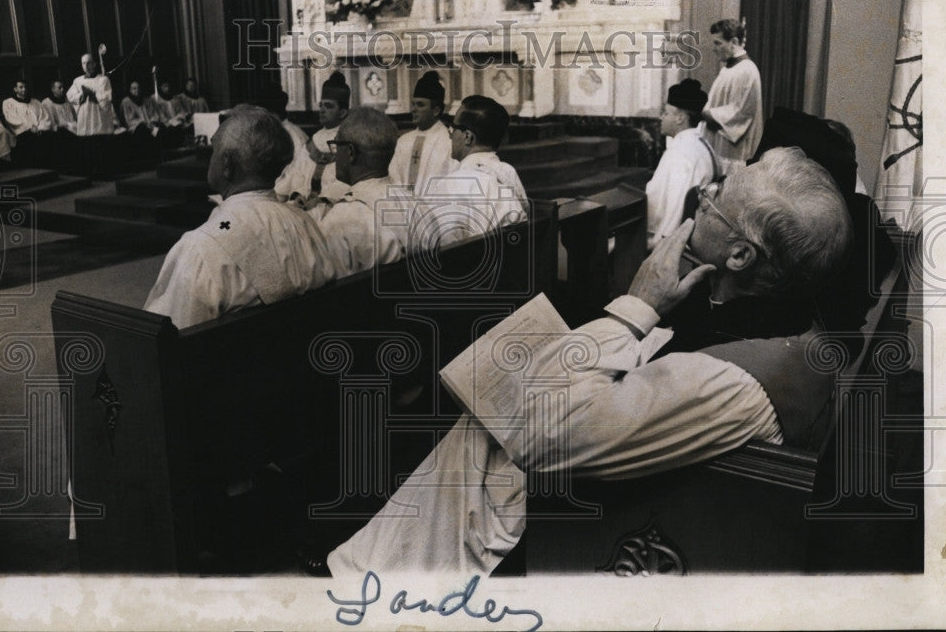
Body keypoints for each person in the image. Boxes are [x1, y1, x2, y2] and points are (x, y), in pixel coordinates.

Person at [327, 147, 852, 576]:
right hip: (546, 492)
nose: (701, 202)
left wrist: (636, 307)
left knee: (482, 428)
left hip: (555, 533)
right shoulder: (754, 316)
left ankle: (368, 577)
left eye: (712, 202)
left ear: (740, 256)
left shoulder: (735, 380)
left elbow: (541, 431)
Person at [144, 104, 338, 329]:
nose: (210, 158)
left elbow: (167, 337)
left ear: (227, 165)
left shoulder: (199, 248)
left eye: (214, 150)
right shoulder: (305, 224)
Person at [419, 94, 527, 248]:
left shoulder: (450, 185)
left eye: (454, 128)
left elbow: (432, 246)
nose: (450, 134)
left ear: (468, 137)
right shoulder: (509, 172)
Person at [318, 107, 409, 276]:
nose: (335, 156)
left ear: (351, 152)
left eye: (336, 146)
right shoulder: (414, 202)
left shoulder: (339, 221)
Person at [645, 78, 717, 249]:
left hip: (675, 240)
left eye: (665, 112)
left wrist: (659, 243)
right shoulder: (701, 144)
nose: (661, 117)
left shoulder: (681, 154)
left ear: (680, 118)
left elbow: (675, 208)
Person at [274, 70, 351, 207]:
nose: (321, 110)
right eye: (321, 105)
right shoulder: (315, 140)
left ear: (343, 112)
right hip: (306, 206)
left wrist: (323, 199)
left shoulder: (350, 139)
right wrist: (298, 194)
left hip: (333, 207)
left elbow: (349, 180)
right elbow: (297, 173)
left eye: (328, 106)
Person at [700, 18, 763, 174]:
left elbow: (742, 112)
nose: (714, 49)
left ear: (734, 41)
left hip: (734, 151)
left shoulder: (747, 70)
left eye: (718, 43)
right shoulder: (728, 70)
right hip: (719, 145)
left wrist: (708, 114)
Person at [388, 71, 456, 196]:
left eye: (420, 105)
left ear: (436, 110)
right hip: (402, 210)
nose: (413, 109)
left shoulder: (448, 141)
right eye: (413, 104)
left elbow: (450, 183)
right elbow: (394, 177)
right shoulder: (404, 140)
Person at [67, 53, 116, 135]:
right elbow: (70, 97)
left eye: (89, 63)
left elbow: (107, 98)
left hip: (100, 117)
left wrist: (93, 94)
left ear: (94, 64)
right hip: (85, 118)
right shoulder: (77, 81)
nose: (86, 65)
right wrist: (82, 95)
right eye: (83, 63)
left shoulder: (103, 80)